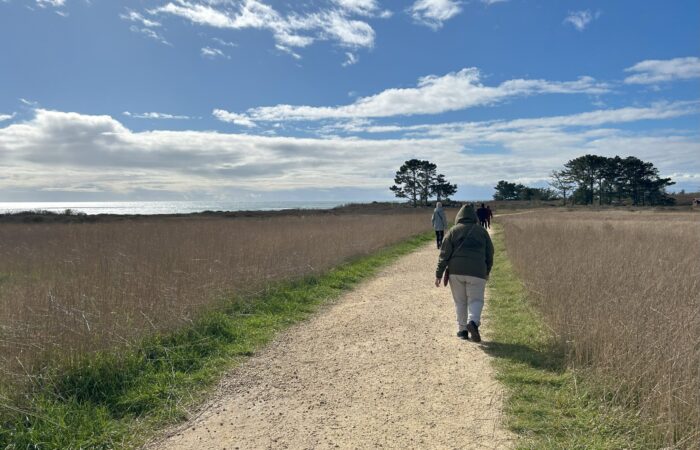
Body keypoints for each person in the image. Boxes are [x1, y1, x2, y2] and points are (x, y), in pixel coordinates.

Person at [434, 204, 494, 342]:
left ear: (458, 217)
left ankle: (462, 330)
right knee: (476, 300)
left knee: (460, 302)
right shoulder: (482, 231)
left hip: (456, 272)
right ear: (474, 217)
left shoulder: (453, 231)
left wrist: (439, 274)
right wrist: (487, 270)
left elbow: (444, 255)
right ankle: (473, 322)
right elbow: (489, 253)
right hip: (477, 272)